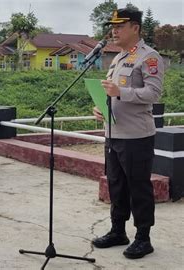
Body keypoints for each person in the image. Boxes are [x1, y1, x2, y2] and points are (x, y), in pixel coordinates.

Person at [91, 8, 164, 259]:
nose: (114, 30)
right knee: (117, 185)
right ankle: (117, 230)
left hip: (136, 136)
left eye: (119, 26)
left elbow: (153, 94)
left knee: (138, 187)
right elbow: (112, 93)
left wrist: (119, 94)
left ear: (135, 27)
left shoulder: (149, 57)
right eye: (113, 26)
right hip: (114, 133)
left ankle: (143, 238)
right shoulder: (118, 57)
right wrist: (101, 107)